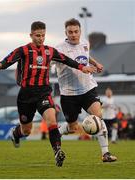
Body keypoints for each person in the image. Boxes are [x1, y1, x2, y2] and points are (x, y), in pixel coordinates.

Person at [0, 21, 96, 167]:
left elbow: (66, 60)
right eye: (37, 35)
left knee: (51, 120)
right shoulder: (24, 50)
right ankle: (16, 133)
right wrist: (0, 64)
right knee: (26, 130)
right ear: (31, 35)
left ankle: (57, 151)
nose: (40, 38)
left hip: (44, 92)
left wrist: (81, 67)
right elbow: (10, 58)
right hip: (26, 95)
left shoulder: (50, 51)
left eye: (43, 35)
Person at [54, 18, 117, 162]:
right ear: (66, 32)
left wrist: (96, 63)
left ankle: (105, 154)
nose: (73, 35)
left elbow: (86, 55)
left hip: (87, 89)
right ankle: (57, 131)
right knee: (73, 127)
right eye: (70, 32)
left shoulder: (84, 43)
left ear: (80, 31)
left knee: (98, 117)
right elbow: (48, 61)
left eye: (76, 31)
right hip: (69, 94)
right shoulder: (59, 49)